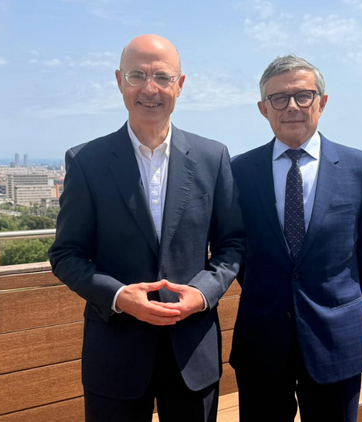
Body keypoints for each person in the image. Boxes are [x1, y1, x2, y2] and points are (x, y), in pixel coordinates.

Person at [49, 34, 244, 422]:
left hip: (192, 352)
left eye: (162, 77)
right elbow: (66, 254)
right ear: (119, 81)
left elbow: (232, 245)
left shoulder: (213, 157)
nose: (150, 89)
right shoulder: (87, 161)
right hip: (115, 353)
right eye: (137, 75)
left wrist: (201, 294)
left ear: (180, 84)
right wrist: (120, 296)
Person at [229, 55, 362, 422]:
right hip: (262, 338)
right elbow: (236, 250)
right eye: (279, 98)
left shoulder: (361, 168)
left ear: (323, 101)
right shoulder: (239, 170)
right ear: (263, 109)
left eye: (303, 95)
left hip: (336, 340)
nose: (292, 106)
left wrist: (333, 303)